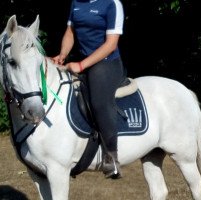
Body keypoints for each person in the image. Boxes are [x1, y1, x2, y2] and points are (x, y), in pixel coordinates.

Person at [53, 0, 126, 179]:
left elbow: (111, 44)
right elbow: (70, 32)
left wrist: (80, 65)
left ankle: (112, 157)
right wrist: (63, 55)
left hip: (107, 63)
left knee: (99, 101)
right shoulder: (76, 3)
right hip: (84, 61)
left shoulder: (112, 4)